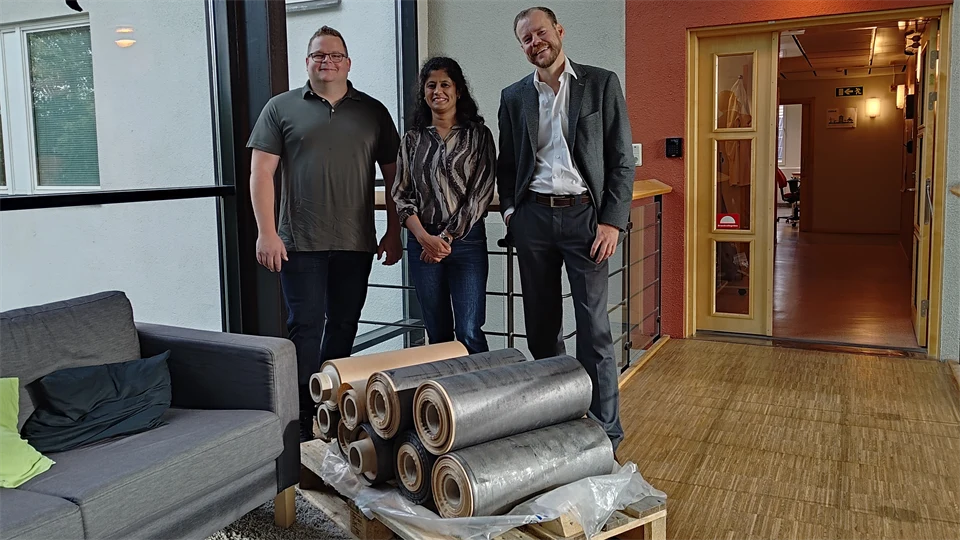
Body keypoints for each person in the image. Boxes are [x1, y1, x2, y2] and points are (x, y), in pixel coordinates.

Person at [246, 26, 403, 442]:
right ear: (308, 62)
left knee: (344, 325)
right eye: (318, 55)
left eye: (334, 55)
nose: (326, 61)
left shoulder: (373, 111)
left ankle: (331, 406)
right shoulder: (280, 108)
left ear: (348, 63)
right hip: (298, 242)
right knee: (305, 326)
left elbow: (395, 178)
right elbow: (261, 173)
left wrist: (394, 231)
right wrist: (266, 233)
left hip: (356, 242)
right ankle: (300, 415)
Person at [496, 7, 635, 452]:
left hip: (585, 219)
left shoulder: (601, 83)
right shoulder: (514, 96)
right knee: (541, 327)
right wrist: (512, 213)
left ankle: (605, 431)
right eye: (525, 39)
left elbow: (621, 162)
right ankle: (559, 419)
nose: (535, 43)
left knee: (593, 327)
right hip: (533, 219)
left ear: (559, 31)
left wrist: (612, 221)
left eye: (540, 33)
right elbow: (508, 164)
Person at [391, 57, 496, 355]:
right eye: (431, 85)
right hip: (422, 243)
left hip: (467, 243)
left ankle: (481, 397)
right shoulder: (412, 139)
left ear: (459, 90)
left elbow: (480, 193)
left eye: (445, 84)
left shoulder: (478, 135)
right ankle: (444, 399)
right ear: (423, 92)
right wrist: (425, 238)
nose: (438, 91)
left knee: (469, 330)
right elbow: (401, 194)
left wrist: (446, 239)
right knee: (437, 333)